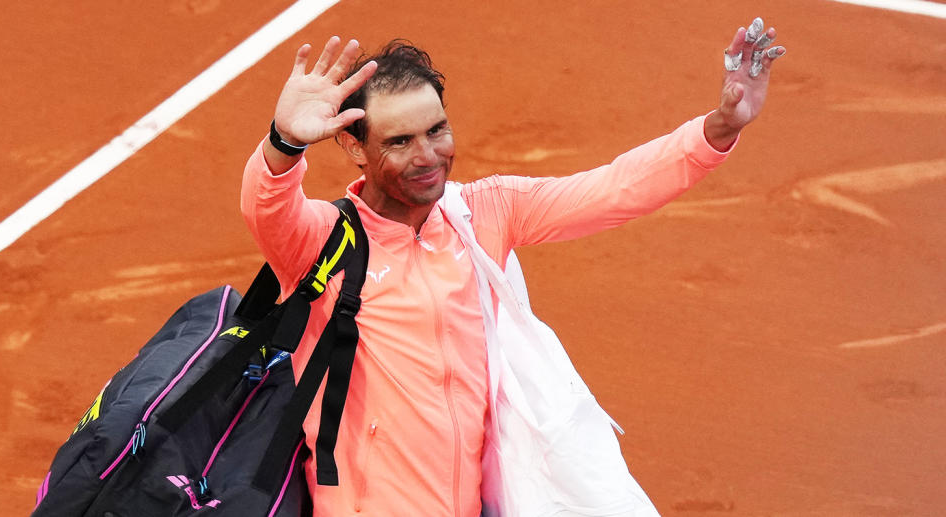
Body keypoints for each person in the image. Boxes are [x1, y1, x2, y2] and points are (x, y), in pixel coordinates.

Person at [241, 18, 785, 517]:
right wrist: (283, 145)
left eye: (437, 130)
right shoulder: (322, 241)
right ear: (355, 149)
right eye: (400, 142)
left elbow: (613, 188)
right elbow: (268, 206)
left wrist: (716, 130)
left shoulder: (482, 215)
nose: (428, 155)